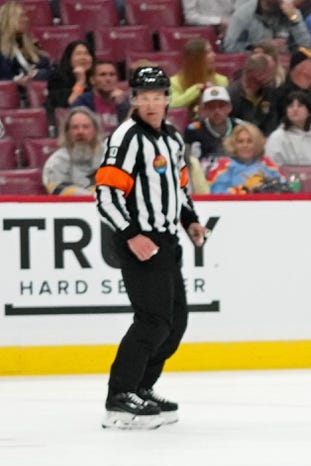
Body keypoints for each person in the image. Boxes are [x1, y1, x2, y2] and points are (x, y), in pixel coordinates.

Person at [95, 66, 208, 429]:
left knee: (175, 323)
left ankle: (142, 386)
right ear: (134, 100)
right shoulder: (126, 137)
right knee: (152, 321)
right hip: (139, 242)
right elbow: (106, 194)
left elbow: (180, 187)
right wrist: (131, 234)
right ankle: (120, 395)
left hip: (167, 240)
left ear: (167, 99)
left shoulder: (173, 138)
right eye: (144, 96)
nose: (151, 103)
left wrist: (189, 219)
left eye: (157, 95)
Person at [206, 121, 286, 193]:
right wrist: (245, 190)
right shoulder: (223, 165)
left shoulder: (267, 163)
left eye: (249, 141)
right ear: (234, 144)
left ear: (257, 143)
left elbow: (283, 186)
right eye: (240, 141)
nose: (245, 145)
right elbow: (216, 191)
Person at [43, 106, 104, 195]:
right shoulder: (56, 160)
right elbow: (56, 188)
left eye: (86, 127)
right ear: (67, 132)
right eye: (75, 127)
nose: (80, 131)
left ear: (95, 130)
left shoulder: (111, 156)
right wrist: (91, 196)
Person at [184, 86, 243, 172]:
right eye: (211, 107)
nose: (217, 111)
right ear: (204, 109)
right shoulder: (193, 131)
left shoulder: (241, 127)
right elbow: (189, 163)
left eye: (221, 106)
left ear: (229, 107)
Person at [223, 0, 311, 54]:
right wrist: (261, 47)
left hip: (286, 67)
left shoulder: (292, 13)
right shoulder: (244, 14)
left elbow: (307, 47)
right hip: (255, 66)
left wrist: (294, 18)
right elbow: (229, 47)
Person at [265, 90, 311, 166]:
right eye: (290, 106)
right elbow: (272, 167)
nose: (295, 109)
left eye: (300, 106)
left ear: (309, 111)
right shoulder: (277, 137)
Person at [169, 38, 229, 115]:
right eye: (208, 52)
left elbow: (226, 108)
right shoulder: (174, 82)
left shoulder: (221, 80)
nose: (214, 55)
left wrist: (214, 92)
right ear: (195, 59)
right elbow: (173, 105)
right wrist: (197, 89)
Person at [73, 59, 131, 132]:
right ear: (92, 80)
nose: (108, 79)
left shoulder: (125, 102)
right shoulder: (83, 102)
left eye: (112, 75)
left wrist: (122, 105)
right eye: (103, 75)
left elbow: (129, 130)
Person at [0, 1, 49, 83]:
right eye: (21, 16)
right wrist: (16, 81)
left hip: (35, 87)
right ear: (9, 19)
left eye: (25, 16)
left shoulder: (30, 42)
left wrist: (39, 73)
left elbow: (46, 65)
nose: (26, 19)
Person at [45, 40, 94, 115]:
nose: (83, 57)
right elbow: (70, 105)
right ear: (69, 58)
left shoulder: (98, 76)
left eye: (87, 54)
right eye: (78, 54)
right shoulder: (57, 78)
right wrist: (80, 82)